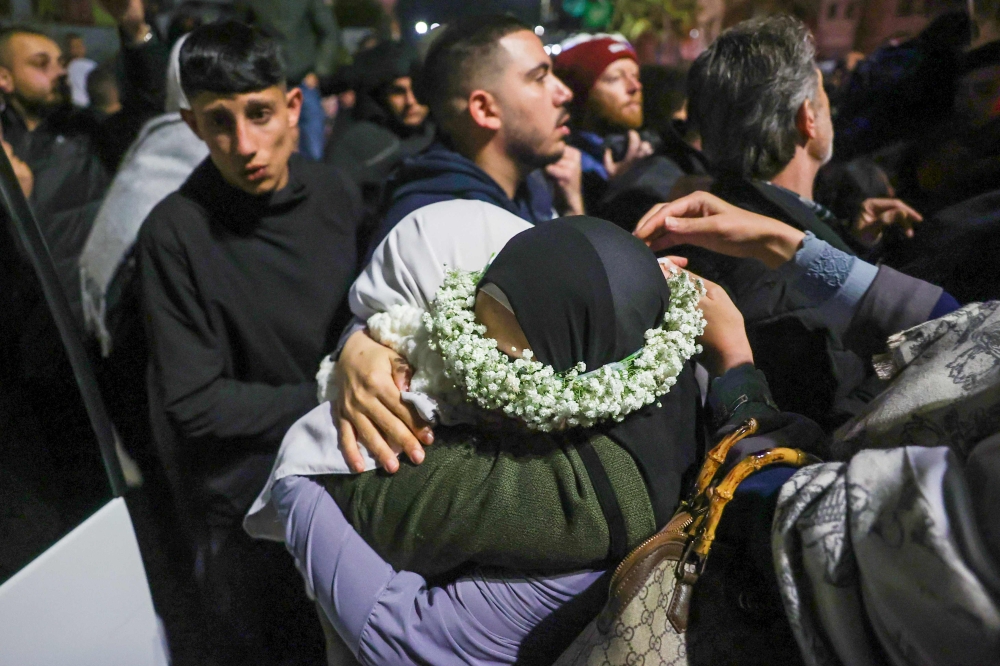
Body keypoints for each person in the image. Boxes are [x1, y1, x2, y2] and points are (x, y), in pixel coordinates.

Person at [251, 200, 788, 665]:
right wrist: (363, 343)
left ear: (576, 367)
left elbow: (374, 496)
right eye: (471, 330)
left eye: (512, 365)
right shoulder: (651, 337)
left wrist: (304, 454)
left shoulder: (571, 497)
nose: (472, 372)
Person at [137, 21, 362, 665]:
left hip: (355, 480)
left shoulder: (337, 193)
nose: (244, 145)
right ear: (192, 126)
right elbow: (195, 405)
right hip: (251, 511)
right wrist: (333, 393)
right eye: (219, 122)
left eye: (259, 113)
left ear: (292, 106)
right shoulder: (174, 234)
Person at [682, 15, 944, 428]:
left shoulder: (716, 222)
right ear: (808, 117)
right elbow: (841, 420)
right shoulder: (777, 285)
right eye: (825, 99)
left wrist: (854, 245)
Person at [371, 14, 584, 250]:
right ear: (484, 110)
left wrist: (572, 211)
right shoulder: (430, 235)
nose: (565, 93)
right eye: (540, 78)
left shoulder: (533, 194)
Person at [324, 39, 435, 238]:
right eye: (398, 92)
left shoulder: (445, 135)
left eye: (417, 90)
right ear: (381, 95)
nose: (411, 101)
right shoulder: (360, 144)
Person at [236, 0, 341, 161]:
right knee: (267, 140)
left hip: (303, 77)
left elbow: (329, 32)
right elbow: (240, 34)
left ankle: (313, 172)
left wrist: (319, 70)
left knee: (312, 141)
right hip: (268, 79)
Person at [64, 32, 96, 107]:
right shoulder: (62, 70)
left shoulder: (90, 65)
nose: (80, 49)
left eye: (81, 45)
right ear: (68, 49)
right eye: (76, 46)